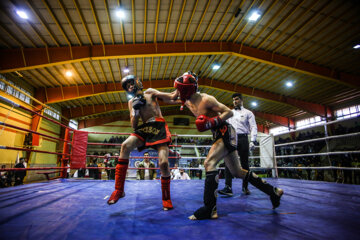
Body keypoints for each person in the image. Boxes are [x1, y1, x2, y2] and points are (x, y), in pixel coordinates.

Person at [148, 71, 283, 220]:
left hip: (225, 131)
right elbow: (169, 98)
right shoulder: (185, 98)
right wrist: (152, 93)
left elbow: (228, 112)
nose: (177, 92)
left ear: (186, 90)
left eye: (180, 89)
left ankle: (210, 208)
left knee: (209, 163)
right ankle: (273, 191)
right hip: (219, 134)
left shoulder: (206, 99)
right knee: (238, 172)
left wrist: (211, 122)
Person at [106, 75, 173, 211]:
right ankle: (119, 190)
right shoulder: (131, 102)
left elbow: (171, 96)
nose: (130, 87)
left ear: (137, 82)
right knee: (125, 146)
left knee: (164, 163)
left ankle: (166, 197)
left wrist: (184, 91)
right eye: (127, 86)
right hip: (144, 127)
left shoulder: (150, 92)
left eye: (131, 83)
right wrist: (136, 110)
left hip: (158, 125)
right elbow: (134, 125)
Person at [218, 93, 257, 196]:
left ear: (241, 100)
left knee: (245, 163)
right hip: (232, 138)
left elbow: (253, 126)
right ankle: (228, 187)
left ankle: (245, 187)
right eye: (233, 100)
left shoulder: (248, 113)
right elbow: (225, 125)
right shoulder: (230, 113)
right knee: (228, 163)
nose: (235, 101)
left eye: (237, 99)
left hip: (243, 138)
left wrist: (253, 140)